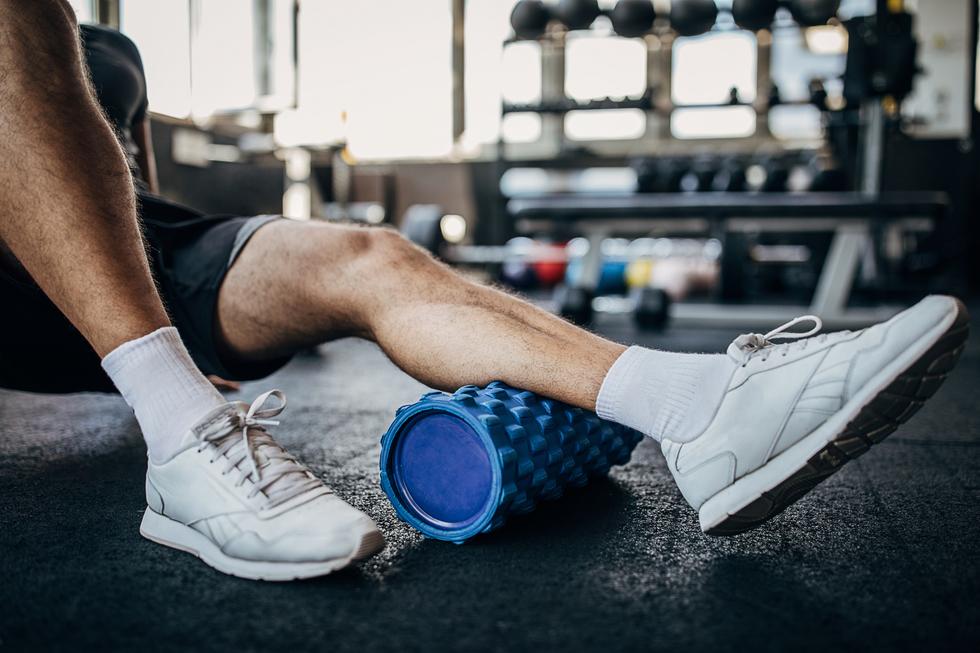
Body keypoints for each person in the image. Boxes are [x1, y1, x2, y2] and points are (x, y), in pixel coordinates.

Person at [0, 2, 969, 581]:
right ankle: (178, 444)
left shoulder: (88, 51)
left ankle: (703, 408)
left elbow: (116, 173)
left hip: (128, 267)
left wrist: (148, 324)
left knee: (368, 256)